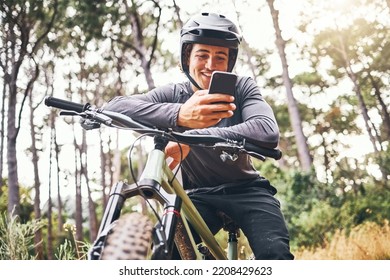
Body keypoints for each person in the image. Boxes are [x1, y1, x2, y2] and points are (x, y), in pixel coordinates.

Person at [104, 12, 294, 260]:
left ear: (229, 62)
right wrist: (181, 114)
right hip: (198, 197)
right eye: (202, 55)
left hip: (248, 190)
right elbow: (114, 108)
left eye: (220, 57)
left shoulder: (242, 87)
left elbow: (266, 130)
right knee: (166, 255)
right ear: (187, 59)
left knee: (275, 255)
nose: (210, 64)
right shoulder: (174, 94)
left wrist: (190, 137)